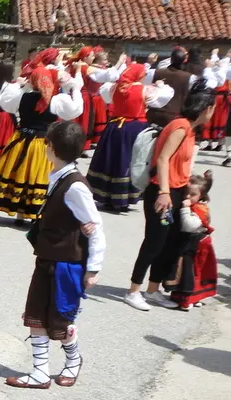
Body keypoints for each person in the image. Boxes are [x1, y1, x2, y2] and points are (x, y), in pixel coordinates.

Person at [5, 121, 105, 389]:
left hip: (67, 265)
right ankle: (39, 372)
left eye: (46, 143)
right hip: (47, 259)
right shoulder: (59, 176)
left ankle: (73, 361)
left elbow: (95, 229)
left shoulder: (75, 187)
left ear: (50, 147)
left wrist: (93, 268)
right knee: (35, 315)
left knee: (61, 322)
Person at [124, 82, 216, 311]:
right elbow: (163, 159)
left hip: (176, 191)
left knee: (167, 242)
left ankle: (153, 289)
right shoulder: (180, 126)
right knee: (154, 241)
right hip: (161, 191)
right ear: (206, 108)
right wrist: (164, 192)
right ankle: (134, 290)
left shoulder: (190, 129)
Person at [0, 48, 84, 223]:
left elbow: (5, 102)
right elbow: (76, 110)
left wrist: (21, 84)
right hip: (42, 144)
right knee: (37, 177)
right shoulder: (56, 100)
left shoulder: (22, 96)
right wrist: (74, 88)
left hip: (21, 139)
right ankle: (33, 213)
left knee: (21, 173)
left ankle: (20, 213)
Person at [87, 60, 174, 211]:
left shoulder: (114, 87)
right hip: (134, 128)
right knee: (129, 160)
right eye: (143, 75)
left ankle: (107, 196)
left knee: (111, 159)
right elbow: (165, 97)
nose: (143, 78)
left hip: (114, 127)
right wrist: (160, 85)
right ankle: (123, 198)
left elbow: (105, 92)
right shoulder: (144, 90)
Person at [168, 172, 217, 309]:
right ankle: (193, 297)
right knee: (194, 271)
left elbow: (188, 225)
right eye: (186, 193)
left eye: (192, 194)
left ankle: (187, 298)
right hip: (195, 244)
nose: (188, 197)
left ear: (201, 195)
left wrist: (184, 208)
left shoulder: (198, 209)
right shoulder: (197, 206)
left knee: (188, 272)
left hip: (194, 244)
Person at [145, 47, 193, 127]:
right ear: (184, 61)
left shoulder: (154, 72)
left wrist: (148, 63)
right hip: (174, 116)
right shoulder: (190, 77)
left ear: (171, 60)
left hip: (154, 114)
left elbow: (144, 83)